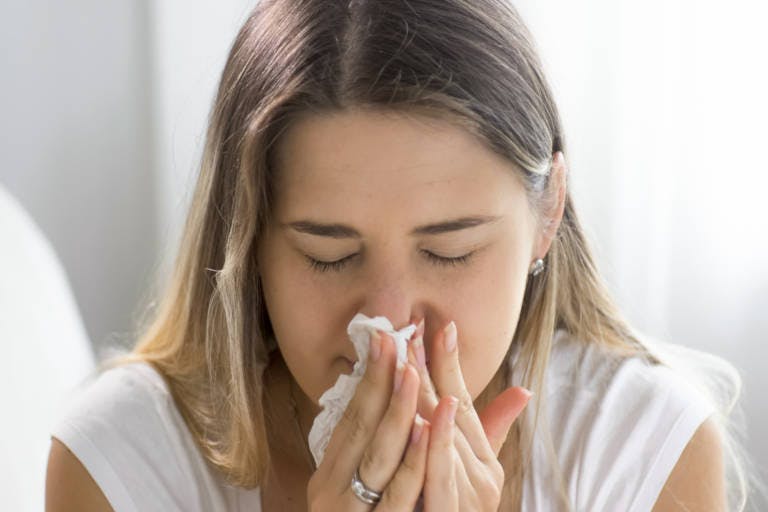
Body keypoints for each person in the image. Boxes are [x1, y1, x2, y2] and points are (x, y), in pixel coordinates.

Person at [45, 0, 752, 510]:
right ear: (249, 240)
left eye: (450, 252)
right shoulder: (121, 463)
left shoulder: (642, 450)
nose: (389, 326)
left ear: (548, 213)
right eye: (328, 255)